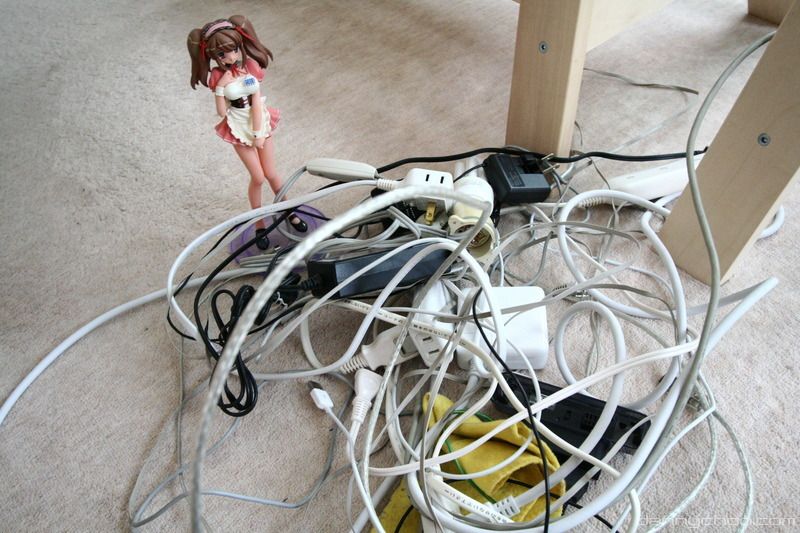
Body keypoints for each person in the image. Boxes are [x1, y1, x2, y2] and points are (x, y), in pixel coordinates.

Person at [187, 15, 306, 249]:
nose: (230, 58)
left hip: (259, 120)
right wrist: (221, 87)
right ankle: (259, 223)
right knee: (258, 177)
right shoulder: (217, 76)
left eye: (233, 50)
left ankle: (289, 211)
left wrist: (259, 133)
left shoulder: (250, 67)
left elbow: (257, 102)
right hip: (237, 125)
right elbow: (222, 112)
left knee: (271, 173)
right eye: (222, 54)